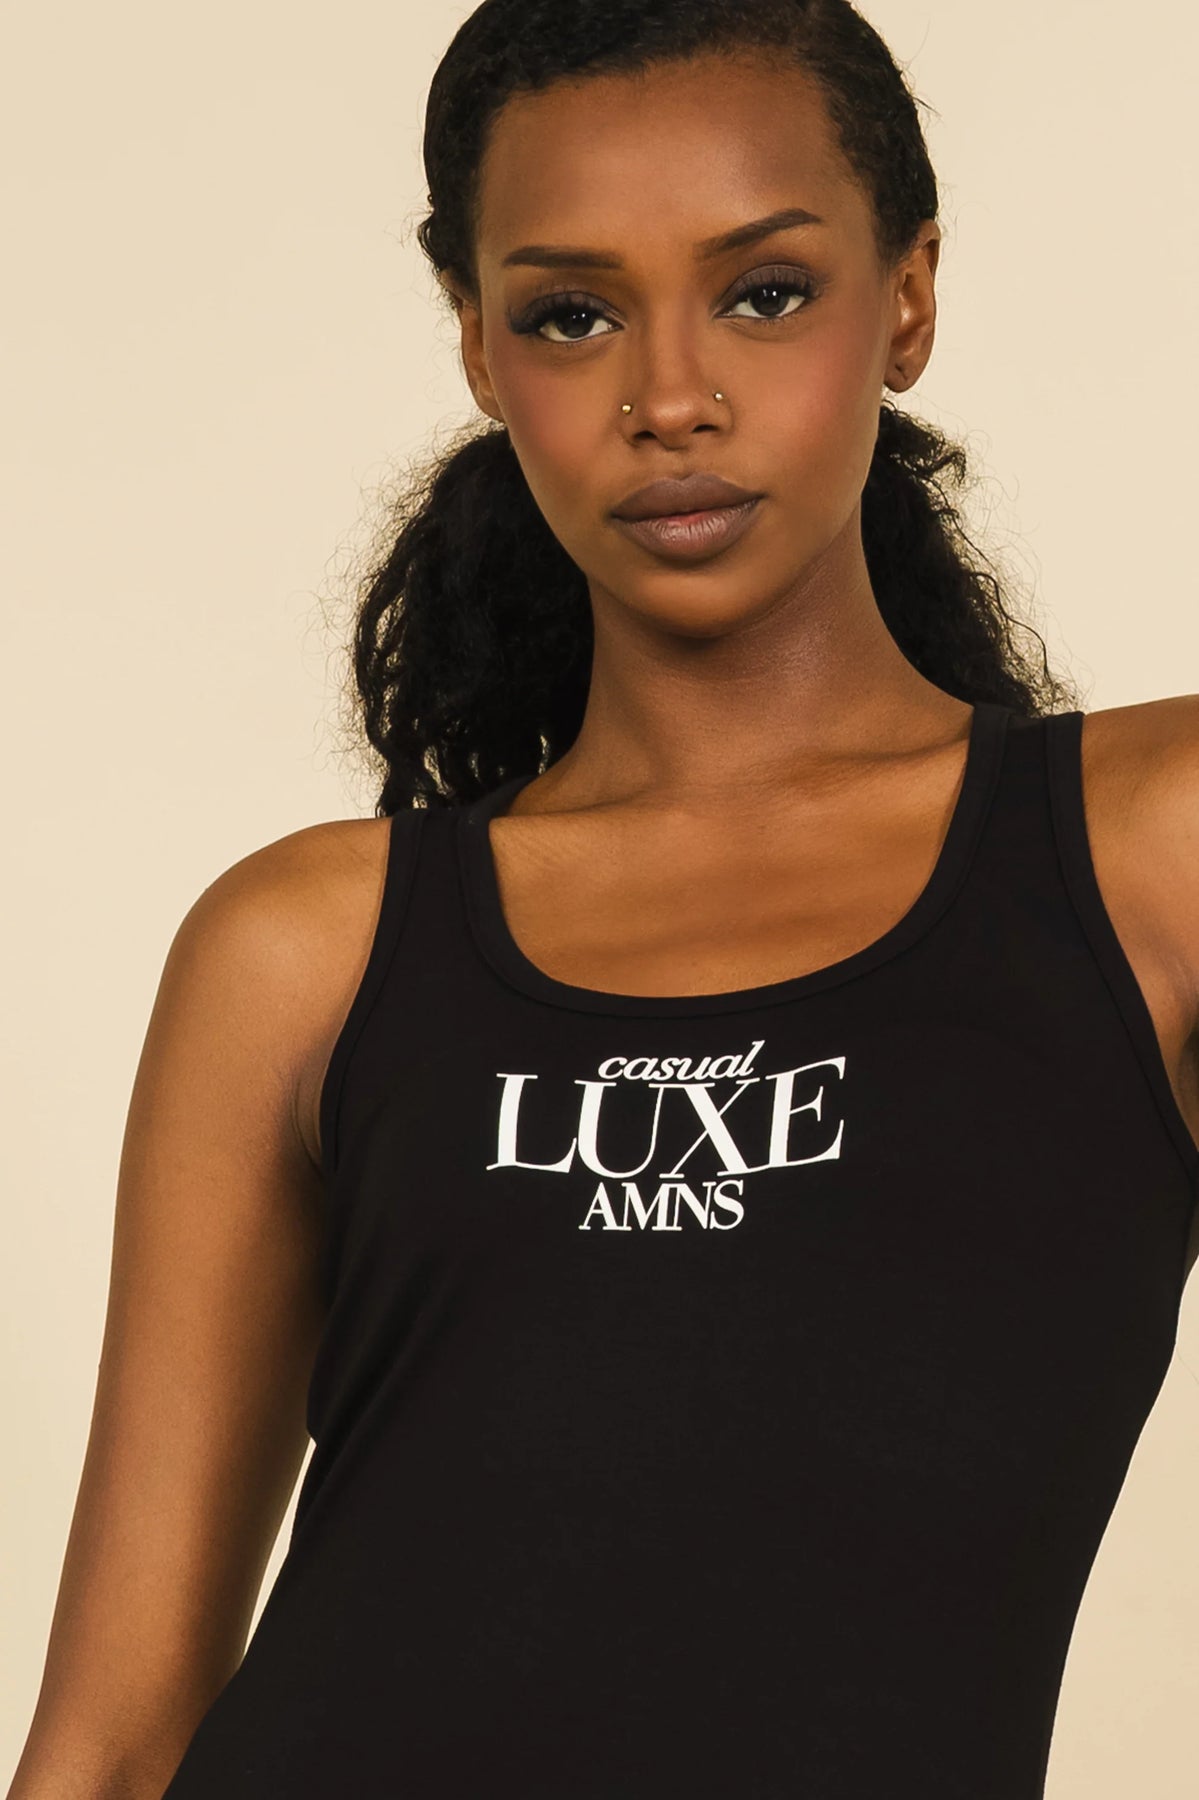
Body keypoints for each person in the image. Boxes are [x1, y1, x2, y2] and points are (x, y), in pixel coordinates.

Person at [10, 1, 1199, 1796]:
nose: (670, 399)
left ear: (910, 298)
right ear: (481, 351)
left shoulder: (1146, 854)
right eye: (572, 314)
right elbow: (108, 1744)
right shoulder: (307, 948)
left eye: (766, 292)